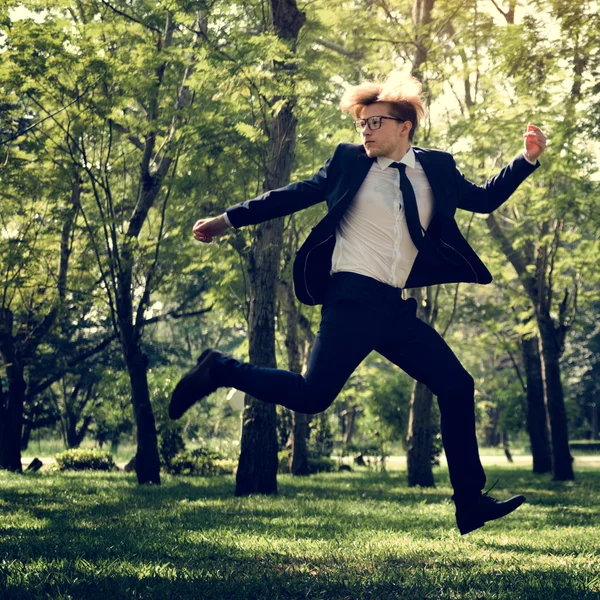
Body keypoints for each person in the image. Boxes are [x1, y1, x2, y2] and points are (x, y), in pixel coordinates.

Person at [170, 72, 547, 535]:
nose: (364, 131)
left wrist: (526, 160)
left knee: (455, 385)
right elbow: (291, 196)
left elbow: (485, 200)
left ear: (404, 126)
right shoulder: (349, 163)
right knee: (312, 397)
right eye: (361, 124)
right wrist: (227, 220)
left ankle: (469, 503)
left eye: (374, 123)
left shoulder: (438, 169)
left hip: (393, 306)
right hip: (350, 298)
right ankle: (218, 369)